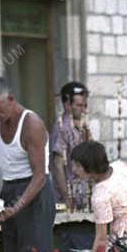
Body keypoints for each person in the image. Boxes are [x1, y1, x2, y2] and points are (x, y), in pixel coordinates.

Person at [0, 76, 55, 252]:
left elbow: (39, 176)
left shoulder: (31, 124)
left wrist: (16, 208)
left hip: (35, 193)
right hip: (9, 189)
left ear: (10, 99)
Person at [69, 141, 127, 252]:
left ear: (91, 167)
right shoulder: (120, 166)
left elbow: (101, 239)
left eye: (78, 165)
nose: (73, 169)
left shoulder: (100, 194)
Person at [49, 81, 91, 212]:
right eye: (79, 105)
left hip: (83, 194)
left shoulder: (81, 126)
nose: (83, 110)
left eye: (85, 105)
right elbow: (57, 165)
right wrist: (67, 198)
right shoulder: (61, 128)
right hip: (68, 198)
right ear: (67, 104)